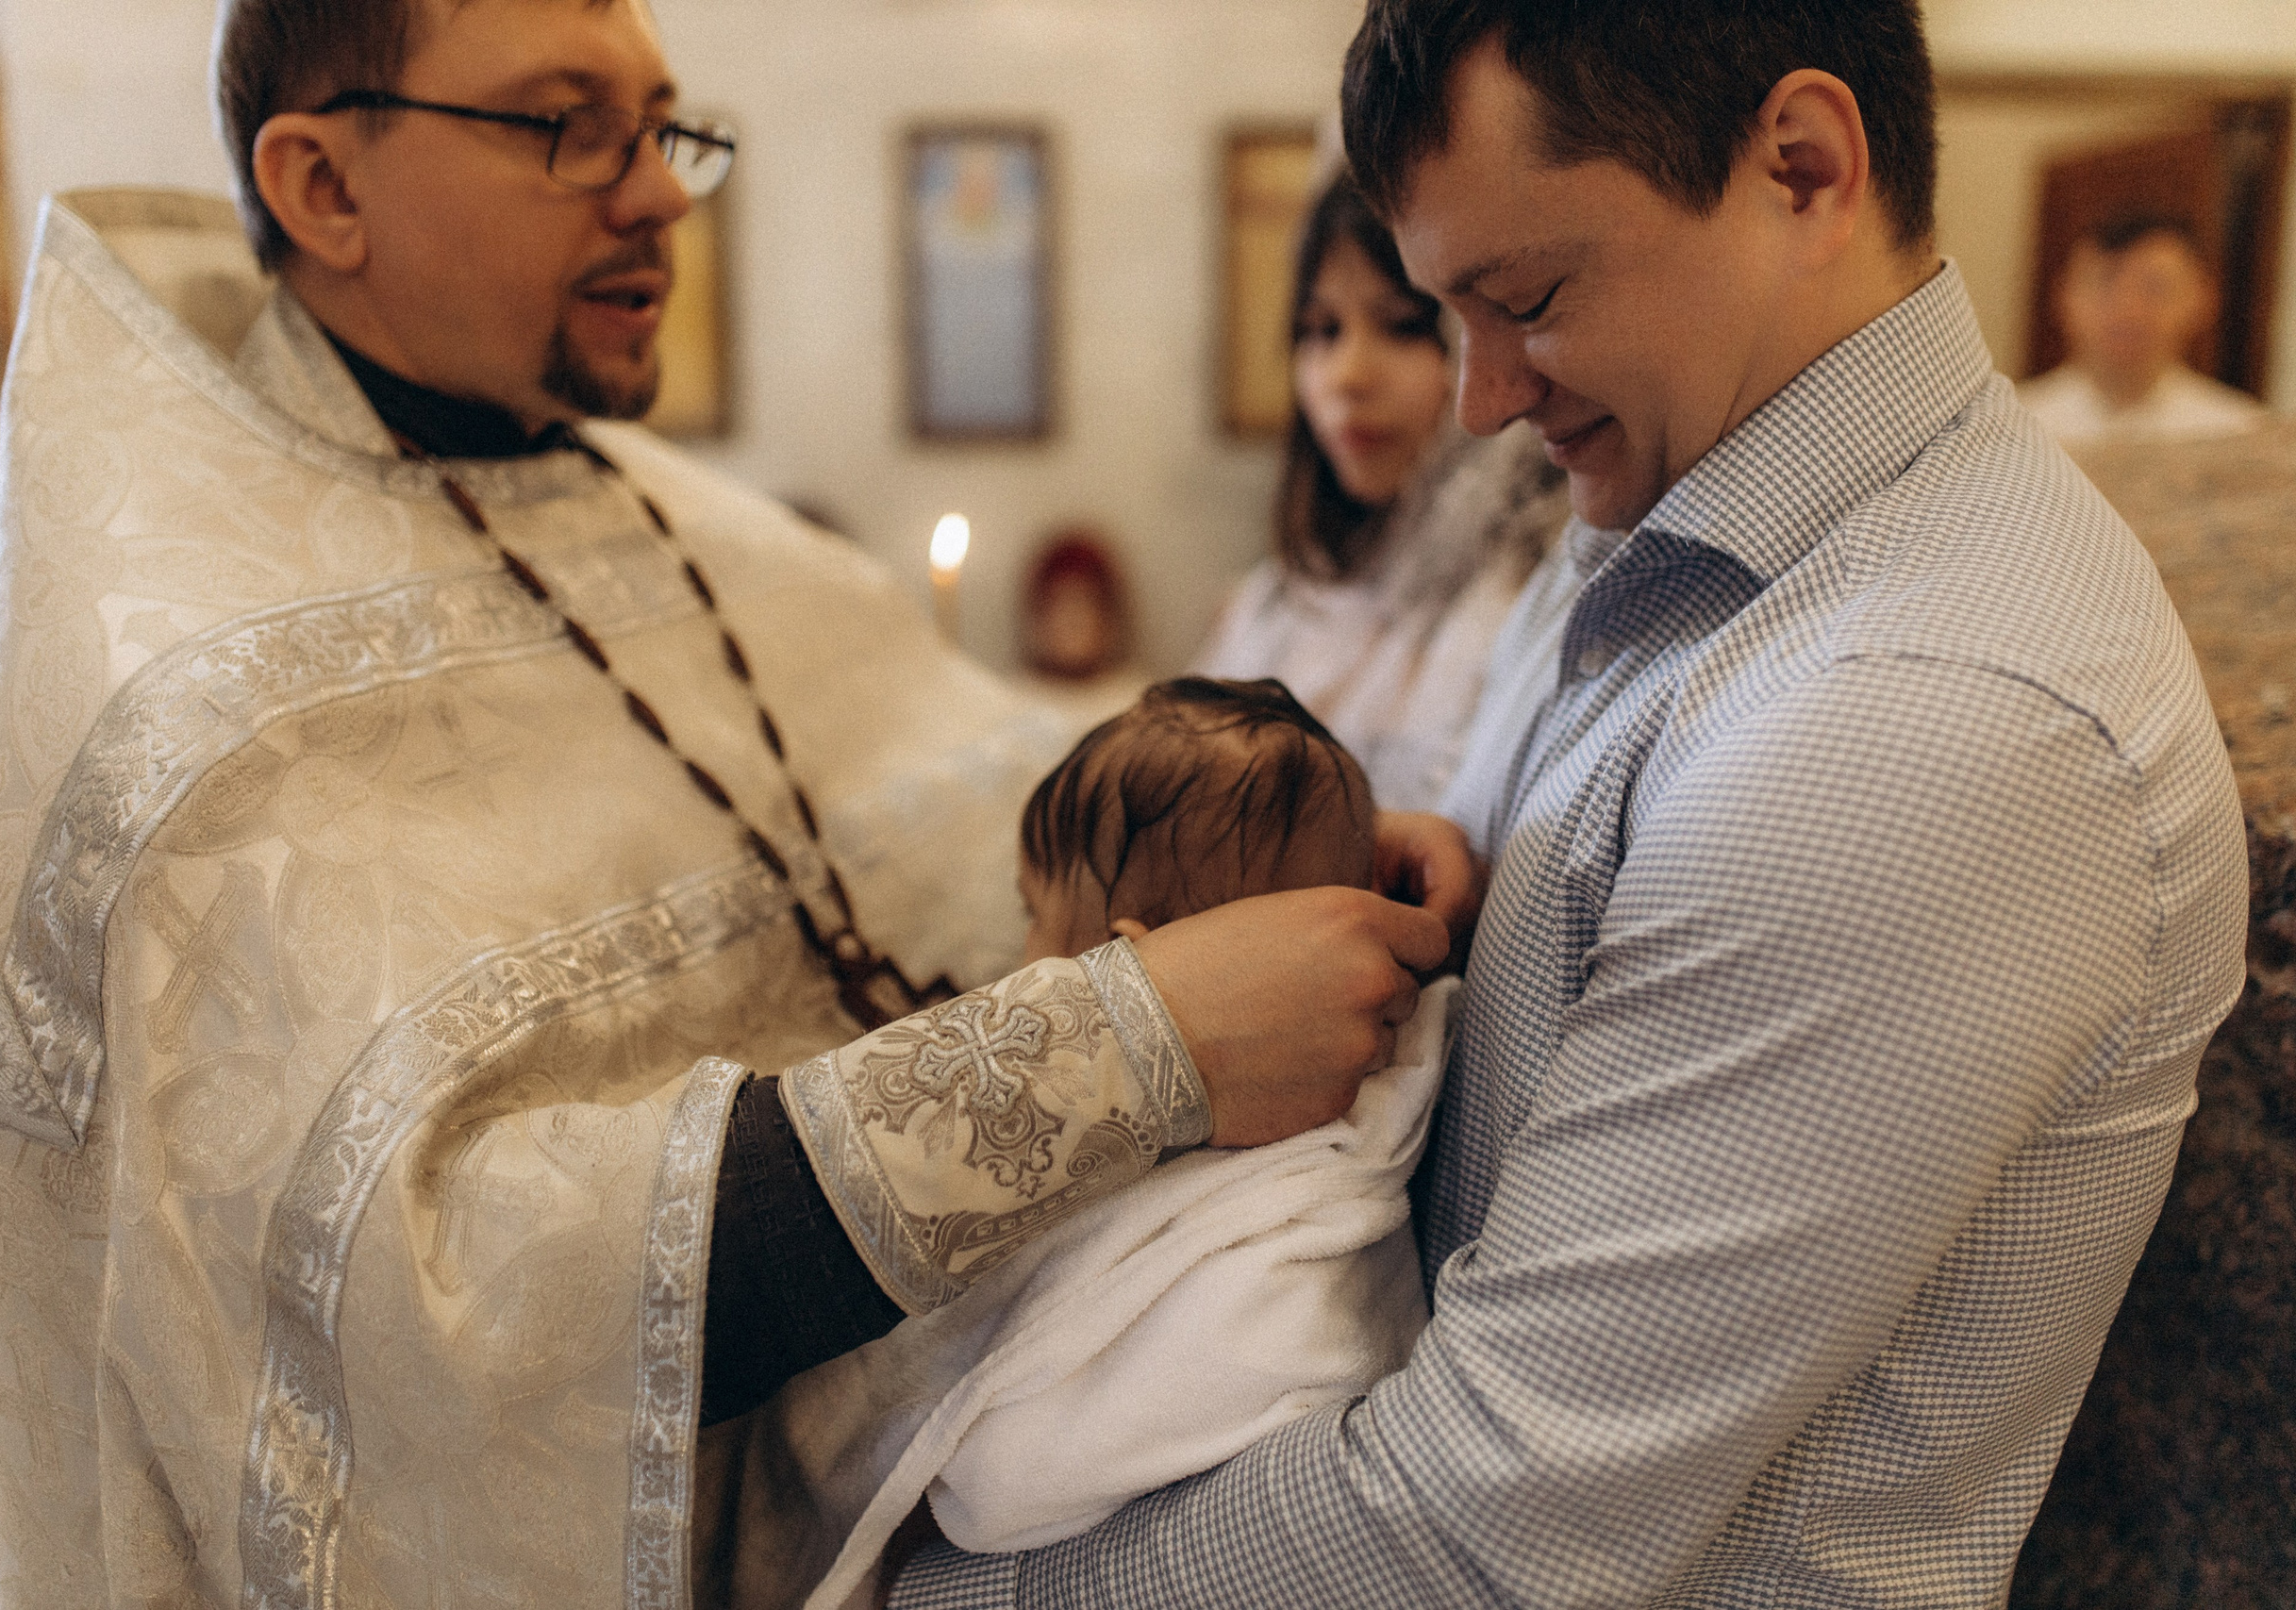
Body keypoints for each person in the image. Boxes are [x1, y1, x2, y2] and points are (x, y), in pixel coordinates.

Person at [0, 2, 1475, 1605]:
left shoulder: (638, 503)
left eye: (662, 125)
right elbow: (409, 1304)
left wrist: (1290, 849)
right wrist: (1132, 1045)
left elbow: (978, 786)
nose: (664, 191)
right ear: (326, 187)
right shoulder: (177, 713)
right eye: (567, 126)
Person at [892, 1, 2251, 1604]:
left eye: (1527, 299)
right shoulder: (1670, 506)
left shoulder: (1928, 718)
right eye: (1450, 312)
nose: (1477, 400)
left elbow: (1481, 1527)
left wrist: (905, 1592)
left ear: (1802, 169)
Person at [736, 678, 1459, 1609]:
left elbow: (1007, 1483)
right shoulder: (1401, 1058)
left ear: (1127, 960)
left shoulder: (1261, 1216)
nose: (1021, 957)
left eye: (1034, 915)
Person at [1198, 173, 1571, 813]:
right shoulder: (1277, 601)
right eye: (1321, 330)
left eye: (1402, 327)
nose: (1348, 376)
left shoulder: (1536, 606)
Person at [2018, 211, 2267, 446]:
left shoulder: (2244, 434)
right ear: (2062, 295)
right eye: (2105, 283)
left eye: (2154, 287)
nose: (2128, 309)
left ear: (2203, 300)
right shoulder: (2012, 427)